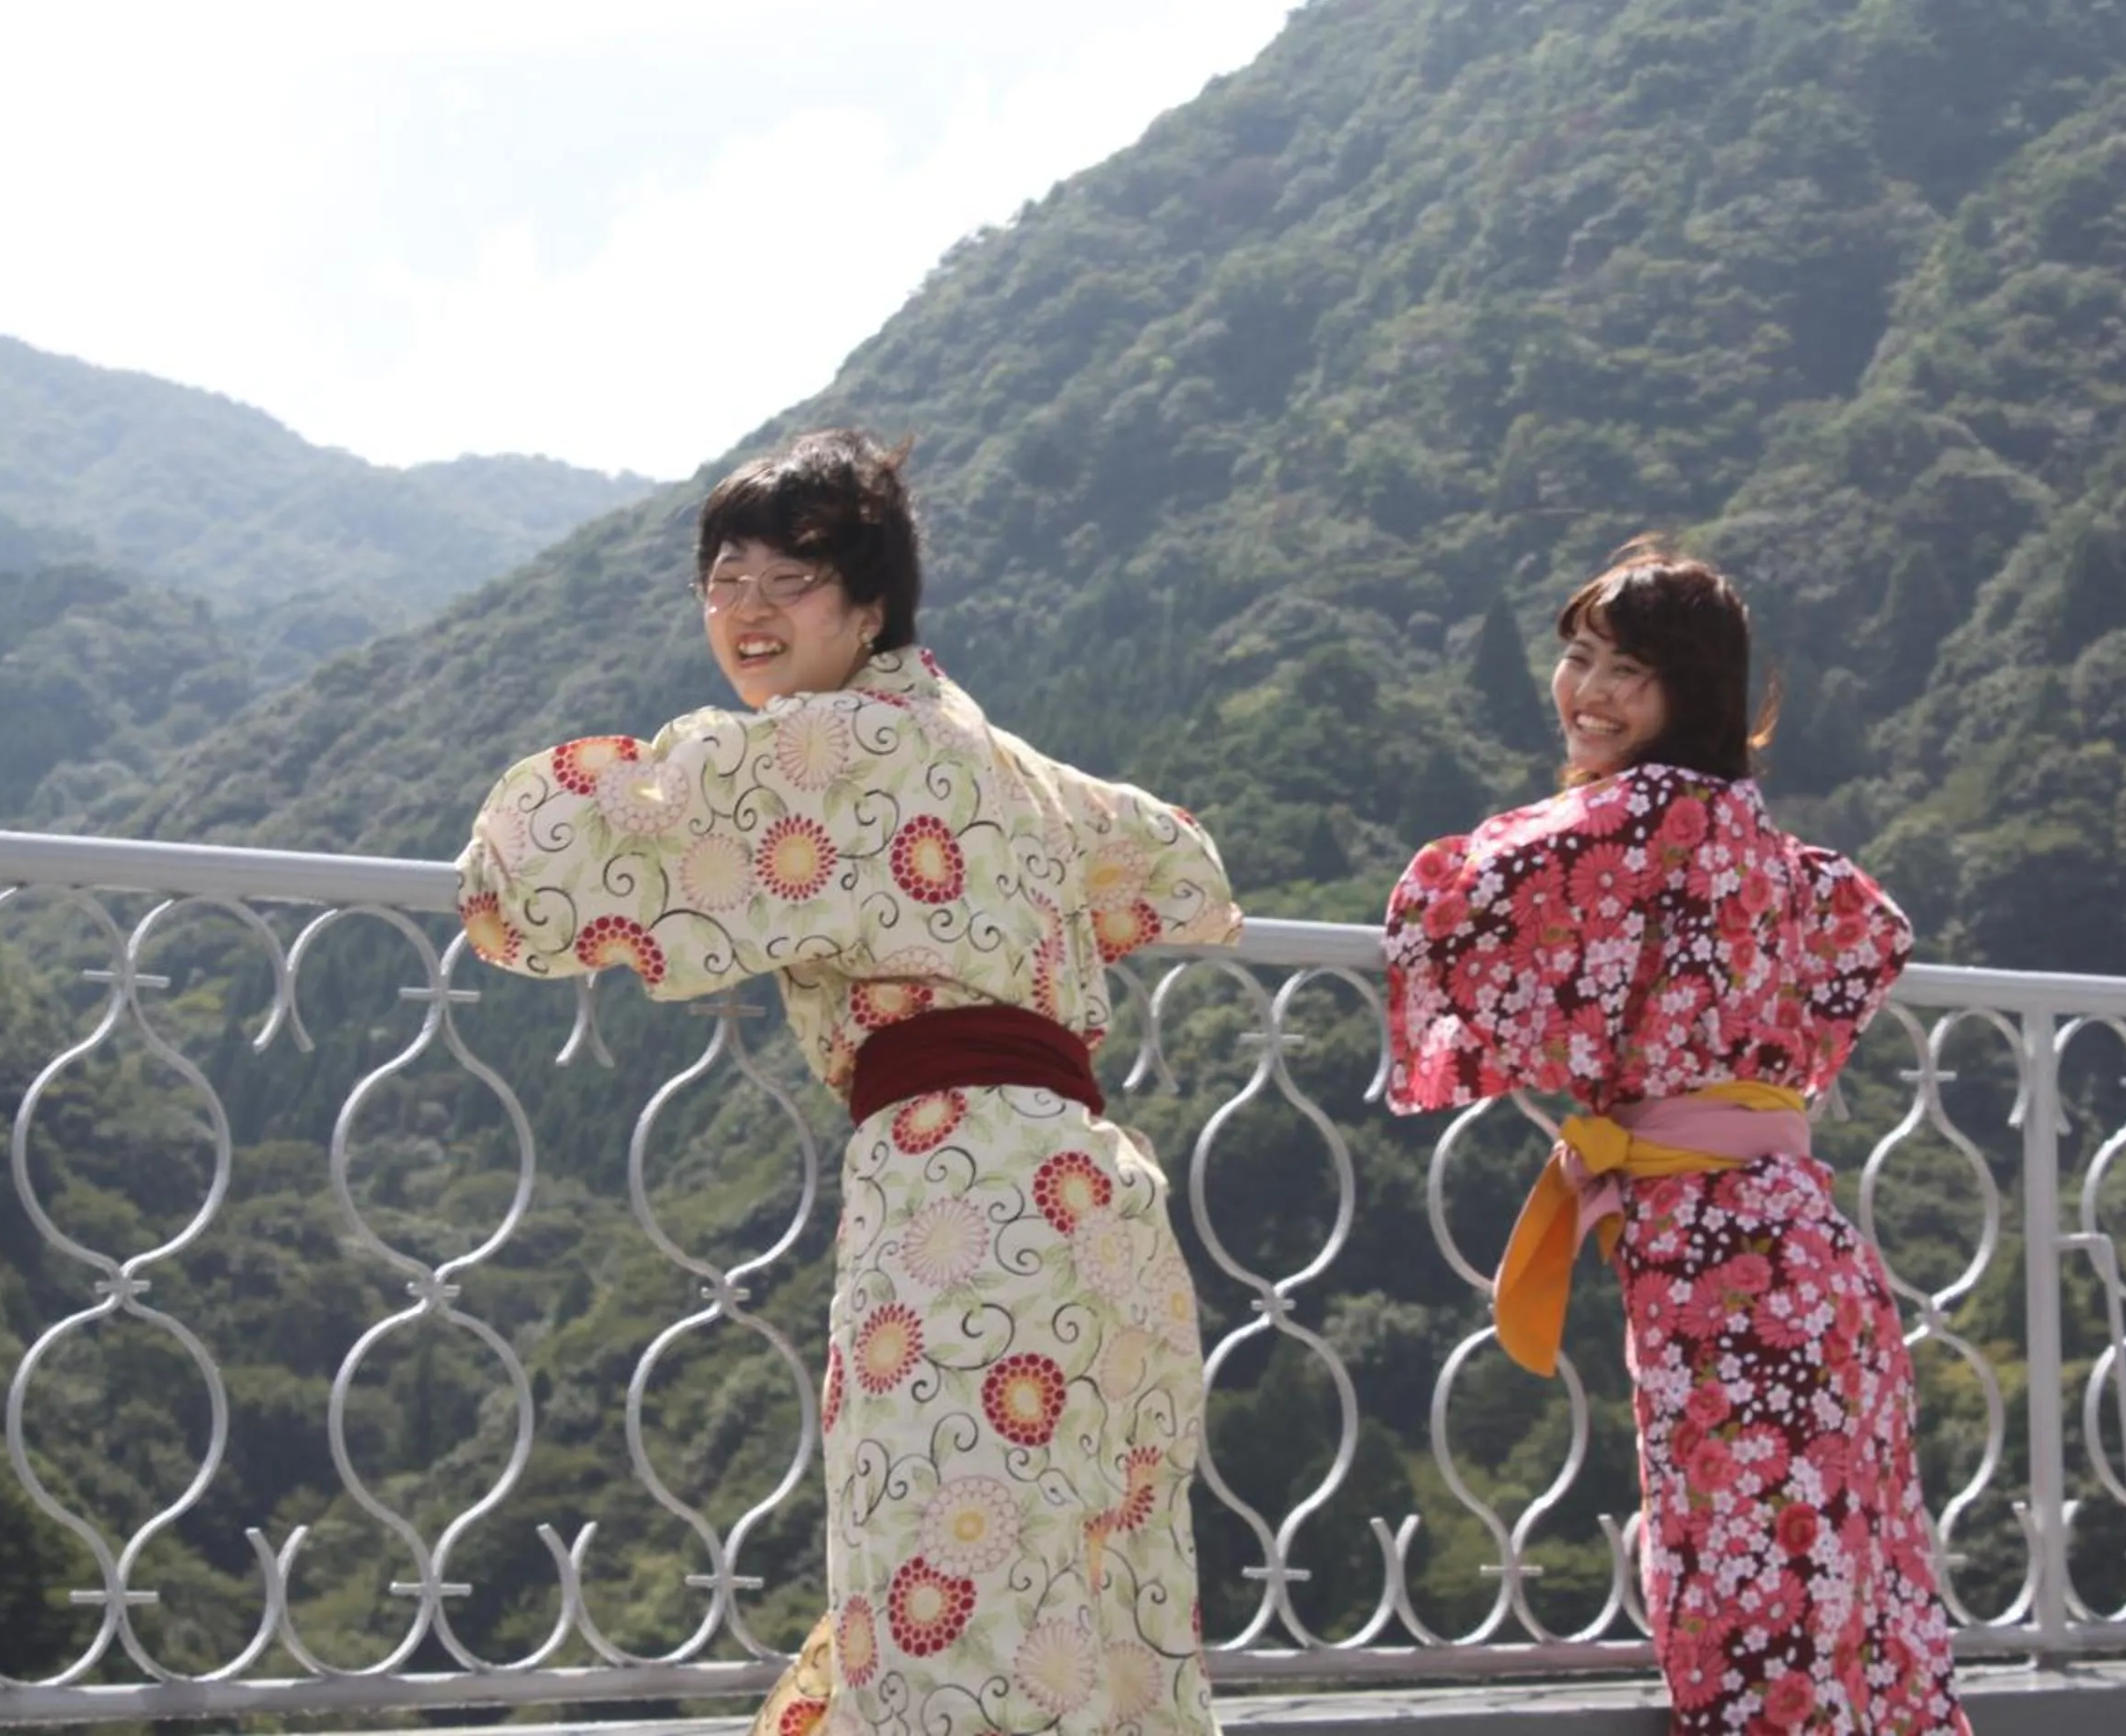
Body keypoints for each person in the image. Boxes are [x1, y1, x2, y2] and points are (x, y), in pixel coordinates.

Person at [457, 429, 1239, 1736]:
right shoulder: (993, 756)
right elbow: (1188, 876)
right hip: (1095, 1207)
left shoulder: (836, 750)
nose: (749, 610)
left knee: (944, 1596)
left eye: (791, 577)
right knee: (1089, 1603)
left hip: (961, 1206)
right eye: (726, 579)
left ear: (870, 607)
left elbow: (523, 872)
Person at [1381, 544, 1968, 1734]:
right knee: (1847, 1591)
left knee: (1742, 1586)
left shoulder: (1641, 817)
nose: (1588, 690)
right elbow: (1876, 930)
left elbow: (1445, 895)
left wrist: (1592, 1046)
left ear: (1687, 691)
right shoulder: (1756, 837)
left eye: (1627, 671)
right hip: (1808, 1246)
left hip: (1721, 1260)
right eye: (1580, 658)